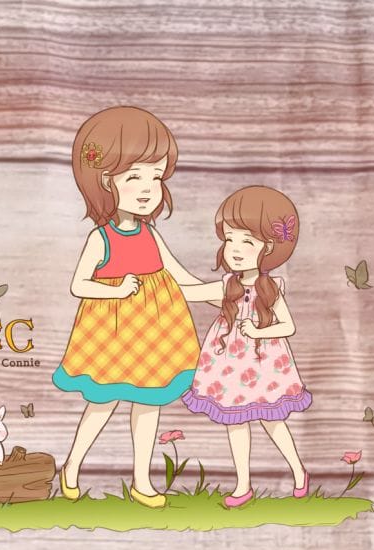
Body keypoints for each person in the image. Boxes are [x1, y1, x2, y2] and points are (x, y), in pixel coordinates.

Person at [52, 106, 207, 507]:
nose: (147, 189)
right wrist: (117, 290)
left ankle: (142, 482)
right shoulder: (101, 238)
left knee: (149, 405)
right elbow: (78, 285)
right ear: (105, 180)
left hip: (154, 333)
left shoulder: (150, 234)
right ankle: (71, 466)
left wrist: (221, 292)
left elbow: (180, 278)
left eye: (156, 177)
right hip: (113, 331)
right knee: (102, 402)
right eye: (134, 176)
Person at [181, 186, 311, 506]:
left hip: (264, 365)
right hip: (229, 366)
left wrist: (258, 331)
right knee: (235, 422)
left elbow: (289, 326)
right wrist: (160, 273)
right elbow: (191, 291)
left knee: (272, 420)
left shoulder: (270, 288)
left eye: (247, 241)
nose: (235, 249)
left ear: (269, 246)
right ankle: (243, 485)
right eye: (230, 240)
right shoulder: (228, 285)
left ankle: (298, 472)